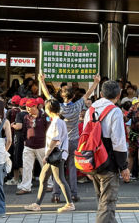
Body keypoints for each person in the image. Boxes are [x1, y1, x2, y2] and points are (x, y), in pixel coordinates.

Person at [39, 74, 100, 203]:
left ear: (62, 96)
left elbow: (47, 95)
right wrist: (95, 82)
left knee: (57, 169)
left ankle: (56, 194)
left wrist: (42, 81)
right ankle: (73, 194)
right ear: (73, 96)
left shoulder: (57, 107)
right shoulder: (78, 105)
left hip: (59, 142)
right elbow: (88, 94)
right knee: (72, 167)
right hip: (74, 140)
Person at [83, 80, 129, 223]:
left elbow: (85, 136)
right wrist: (124, 166)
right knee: (107, 203)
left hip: (92, 159)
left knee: (102, 201)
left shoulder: (90, 110)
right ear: (119, 95)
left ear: (101, 94)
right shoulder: (115, 111)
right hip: (109, 161)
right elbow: (118, 142)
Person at [24, 99, 75, 213]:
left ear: (48, 109)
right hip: (56, 155)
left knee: (59, 179)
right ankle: (37, 204)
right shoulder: (58, 120)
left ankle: (70, 203)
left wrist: (46, 155)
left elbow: (55, 140)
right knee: (43, 178)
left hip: (55, 155)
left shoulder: (57, 122)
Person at [16, 98, 52, 195]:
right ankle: (26, 187)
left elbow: (49, 130)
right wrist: (24, 140)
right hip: (29, 145)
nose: (27, 109)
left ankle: (49, 184)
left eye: (29, 107)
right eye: (26, 107)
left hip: (41, 145)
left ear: (35, 106)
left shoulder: (45, 116)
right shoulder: (26, 117)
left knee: (45, 166)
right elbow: (24, 130)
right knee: (27, 166)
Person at [6, 98, 28, 186]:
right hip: (29, 139)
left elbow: (19, 126)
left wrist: (13, 125)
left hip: (19, 139)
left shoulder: (20, 114)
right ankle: (25, 179)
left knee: (18, 159)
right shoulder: (32, 114)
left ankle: (23, 181)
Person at [4, 96, 22, 185]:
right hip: (21, 137)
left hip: (11, 136)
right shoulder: (22, 112)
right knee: (20, 158)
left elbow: (5, 123)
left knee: (12, 157)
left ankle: (14, 178)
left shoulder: (10, 111)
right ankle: (20, 178)